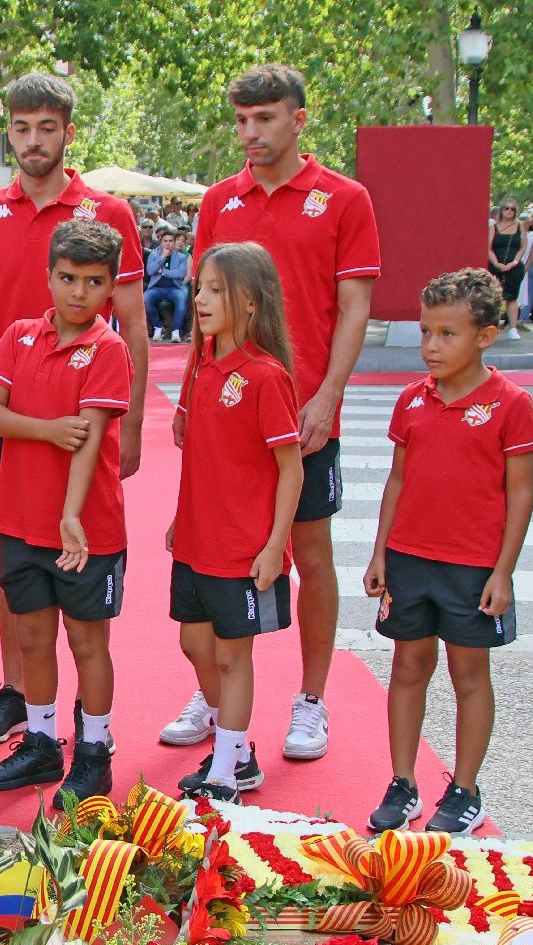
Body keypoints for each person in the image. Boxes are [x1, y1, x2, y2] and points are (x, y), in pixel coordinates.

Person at [175, 63, 379, 763]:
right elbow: (204, 302)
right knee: (211, 548)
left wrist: (327, 396)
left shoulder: (344, 199)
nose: (250, 133)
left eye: (264, 119)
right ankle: (214, 697)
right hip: (224, 409)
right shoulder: (219, 202)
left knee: (310, 557)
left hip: (304, 413)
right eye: (240, 120)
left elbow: (355, 306)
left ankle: (312, 699)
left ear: (299, 118)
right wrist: (190, 388)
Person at [0, 71, 148, 749]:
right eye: (22, 128)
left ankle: (89, 735)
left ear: (68, 132)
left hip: (86, 417)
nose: (34, 141)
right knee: (14, 560)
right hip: (8, 417)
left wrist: (137, 420)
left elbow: (135, 324)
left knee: (80, 557)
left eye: (47, 127)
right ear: (9, 132)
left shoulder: (108, 215)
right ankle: (18, 693)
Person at [363, 269, 533, 836]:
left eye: (447, 334)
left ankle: (465, 789)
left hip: (472, 566)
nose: (432, 347)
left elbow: (519, 492)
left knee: (468, 674)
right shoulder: (412, 400)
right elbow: (397, 481)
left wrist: (503, 572)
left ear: (485, 336)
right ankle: (403, 781)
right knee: (408, 667)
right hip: (409, 560)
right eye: (426, 333)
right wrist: (380, 553)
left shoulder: (512, 405)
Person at [0, 221, 133, 803]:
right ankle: (41, 745)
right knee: (34, 638)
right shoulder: (17, 335)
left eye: (93, 282)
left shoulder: (108, 349)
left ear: (111, 287)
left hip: (86, 529)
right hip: (19, 521)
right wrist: (46, 429)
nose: (77, 293)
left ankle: (94, 751)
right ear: (48, 277)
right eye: (67, 278)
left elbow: (88, 441)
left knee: (89, 644)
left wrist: (71, 516)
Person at [166, 243, 303, 805]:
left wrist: (276, 547)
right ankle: (236, 749)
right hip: (197, 540)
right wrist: (180, 520)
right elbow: (201, 458)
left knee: (231, 654)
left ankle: (228, 770)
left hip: (244, 548)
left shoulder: (266, 377)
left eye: (216, 290)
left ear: (250, 302)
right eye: (200, 287)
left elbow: (291, 471)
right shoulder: (201, 368)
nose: (200, 299)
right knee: (193, 643)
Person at [487, 199, 525, 341]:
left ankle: (513, 327)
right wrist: (496, 263)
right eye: (507, 208)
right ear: (502, 210)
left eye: (513, 209)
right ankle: (493, 326)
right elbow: (489, 248)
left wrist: (515, 262)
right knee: (495, 296)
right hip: (496, 266)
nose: (510, 211)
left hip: (514, 266)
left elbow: (523, 247)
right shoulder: (493, 228)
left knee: (512, 297)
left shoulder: (520, 226)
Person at [143, 229, 190, 341]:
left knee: (181, 299)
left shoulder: (181, 257)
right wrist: (162, 257)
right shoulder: (154, 255)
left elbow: (181, 273)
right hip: (156, 288)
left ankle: (176, 330)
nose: (168, 243)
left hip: (174, 287)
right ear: (161, 242)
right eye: (165, 241)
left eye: (170, 241)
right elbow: (150, 271)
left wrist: (163, 272)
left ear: (174, 242)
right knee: (145, 299)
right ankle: (158, 327)